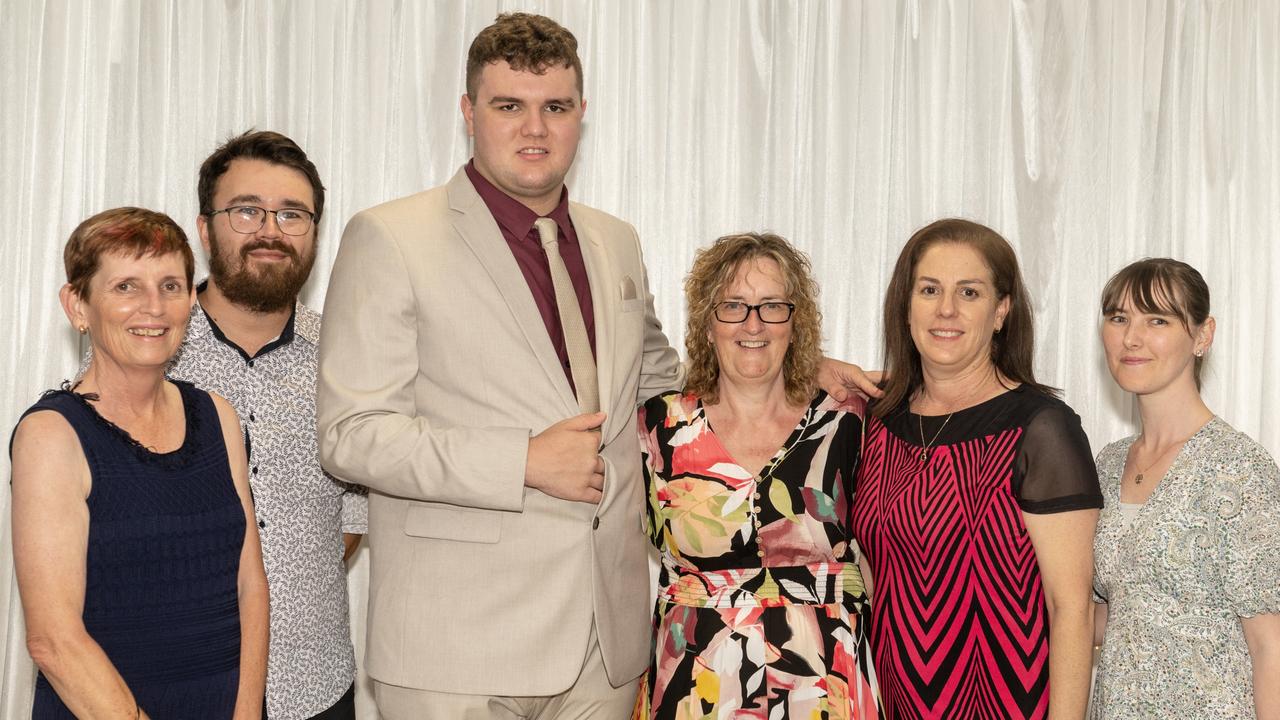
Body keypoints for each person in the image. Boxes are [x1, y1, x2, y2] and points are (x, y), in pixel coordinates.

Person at [316, 13, 876, 718]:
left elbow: (661, 389)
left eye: (555, 107)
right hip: (457, 649)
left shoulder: (614, 241)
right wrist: (519, 459)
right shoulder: (390, 238)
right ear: (467, 113)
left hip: (604, 652)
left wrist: (781, 360)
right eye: (508, 106)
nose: (535, 129)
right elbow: (352, 432)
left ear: (582, 115)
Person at [10, 207, 269, 719]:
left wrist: (245, 714)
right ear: (77, 305)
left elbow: (250, 584)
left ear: (191, 301)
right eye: (126, 286)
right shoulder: (52, 435)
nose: (153, 307)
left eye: (170, 286)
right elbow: (52, 640)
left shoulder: (216, 414)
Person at [852, 218, 1101, 719]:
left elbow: (1071, 608)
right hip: (893, 705)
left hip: (1007, 705)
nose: (946, 309)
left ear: (1001, 311)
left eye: (969, 292)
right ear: (906, 307)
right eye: (929, 290)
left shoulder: (1042, 428)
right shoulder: (877, 423)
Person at [635, 233, 881, 718]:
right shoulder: (656, 427)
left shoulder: (849, 418)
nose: (753, 324)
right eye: (733, 305)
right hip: (694, 687)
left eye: (772, 306)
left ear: (796, 322)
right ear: (708, 323)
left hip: (826, 683)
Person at [188, 130, 367, 719]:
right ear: (205, 226)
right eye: (247, 210)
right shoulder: (148, 346)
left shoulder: (346, 358)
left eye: (292, 214)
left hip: (311, 682)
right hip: (173, 679)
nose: (271, 230)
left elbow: (351, 522)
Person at [1090, 258, 1280, 719]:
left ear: (1201, 335)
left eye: (1157, 320)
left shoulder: (1239, 468)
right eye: (1119, 318)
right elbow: (1108, 619)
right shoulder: (1108, 463)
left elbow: (1269, 645)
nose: (1131, 338)